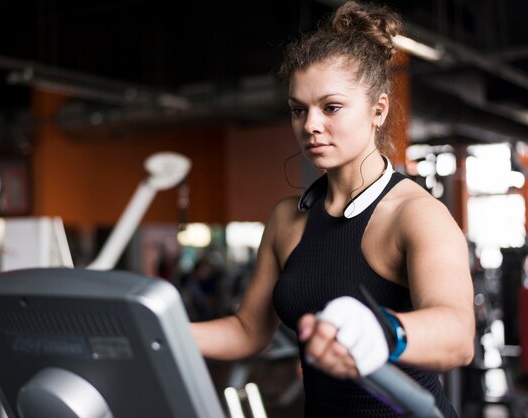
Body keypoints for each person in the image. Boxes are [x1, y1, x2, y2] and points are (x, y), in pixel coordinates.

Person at [190, 1, 475, 417]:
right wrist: (158, 330)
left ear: (378, 110)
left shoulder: (414, 214)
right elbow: (249, 331)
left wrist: (384, 330)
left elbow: (459, 336)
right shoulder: (287, 219)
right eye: (298, 110)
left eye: (331, 107)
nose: (310, 125)